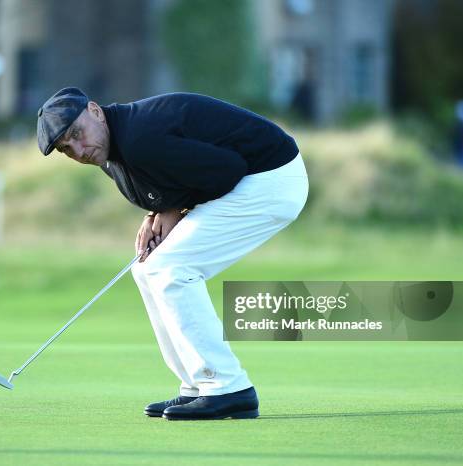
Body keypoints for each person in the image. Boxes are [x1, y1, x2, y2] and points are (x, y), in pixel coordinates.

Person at [37, 88, 309, 420]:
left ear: (94, 111)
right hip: (250, 180)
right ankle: (196, 385)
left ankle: (227, 387)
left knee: (173, 269)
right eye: (66, 149)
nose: (78, 150)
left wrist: (177, 209)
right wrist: (158, 212)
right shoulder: (114, 148)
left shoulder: (138, 137)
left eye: (76, 134)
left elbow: (228, 169)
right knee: (147, 267)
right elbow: (168, 179)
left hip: (271, 179)